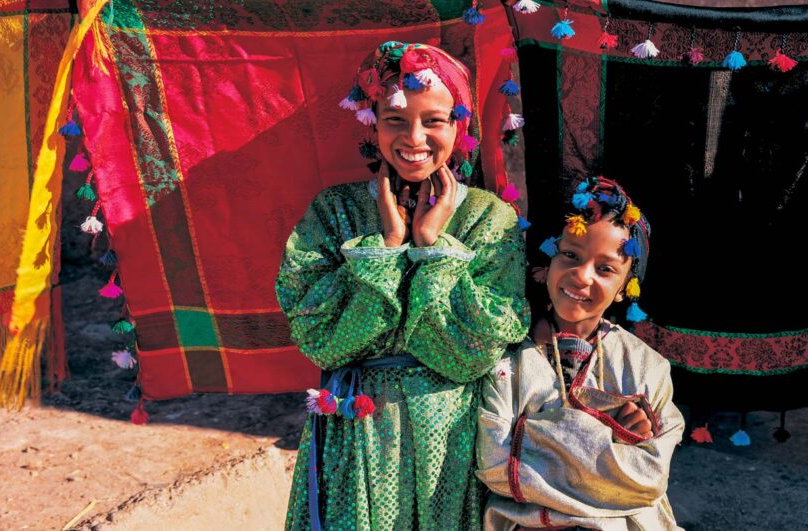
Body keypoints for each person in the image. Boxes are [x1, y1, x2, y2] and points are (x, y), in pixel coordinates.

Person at [276, 41, 530, 530]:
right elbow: (322, 343)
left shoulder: (489, 220)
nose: (414, 137)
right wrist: (388, 248)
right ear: (373, 122)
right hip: (355, 430)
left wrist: (432, 247)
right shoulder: (334, 213)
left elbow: (470, 356)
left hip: (450, 433)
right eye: (396, 120)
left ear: (460, 125)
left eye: (434, 120)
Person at [477, 176, 684, 531]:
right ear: (546, 262)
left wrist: (530, 434)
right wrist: (609, 440)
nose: (581, 276)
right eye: (570, 255)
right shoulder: (504, 358)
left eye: (605, 269)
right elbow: (496, 467)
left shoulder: (649, 368)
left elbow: (648, 478)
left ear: (625, 286)